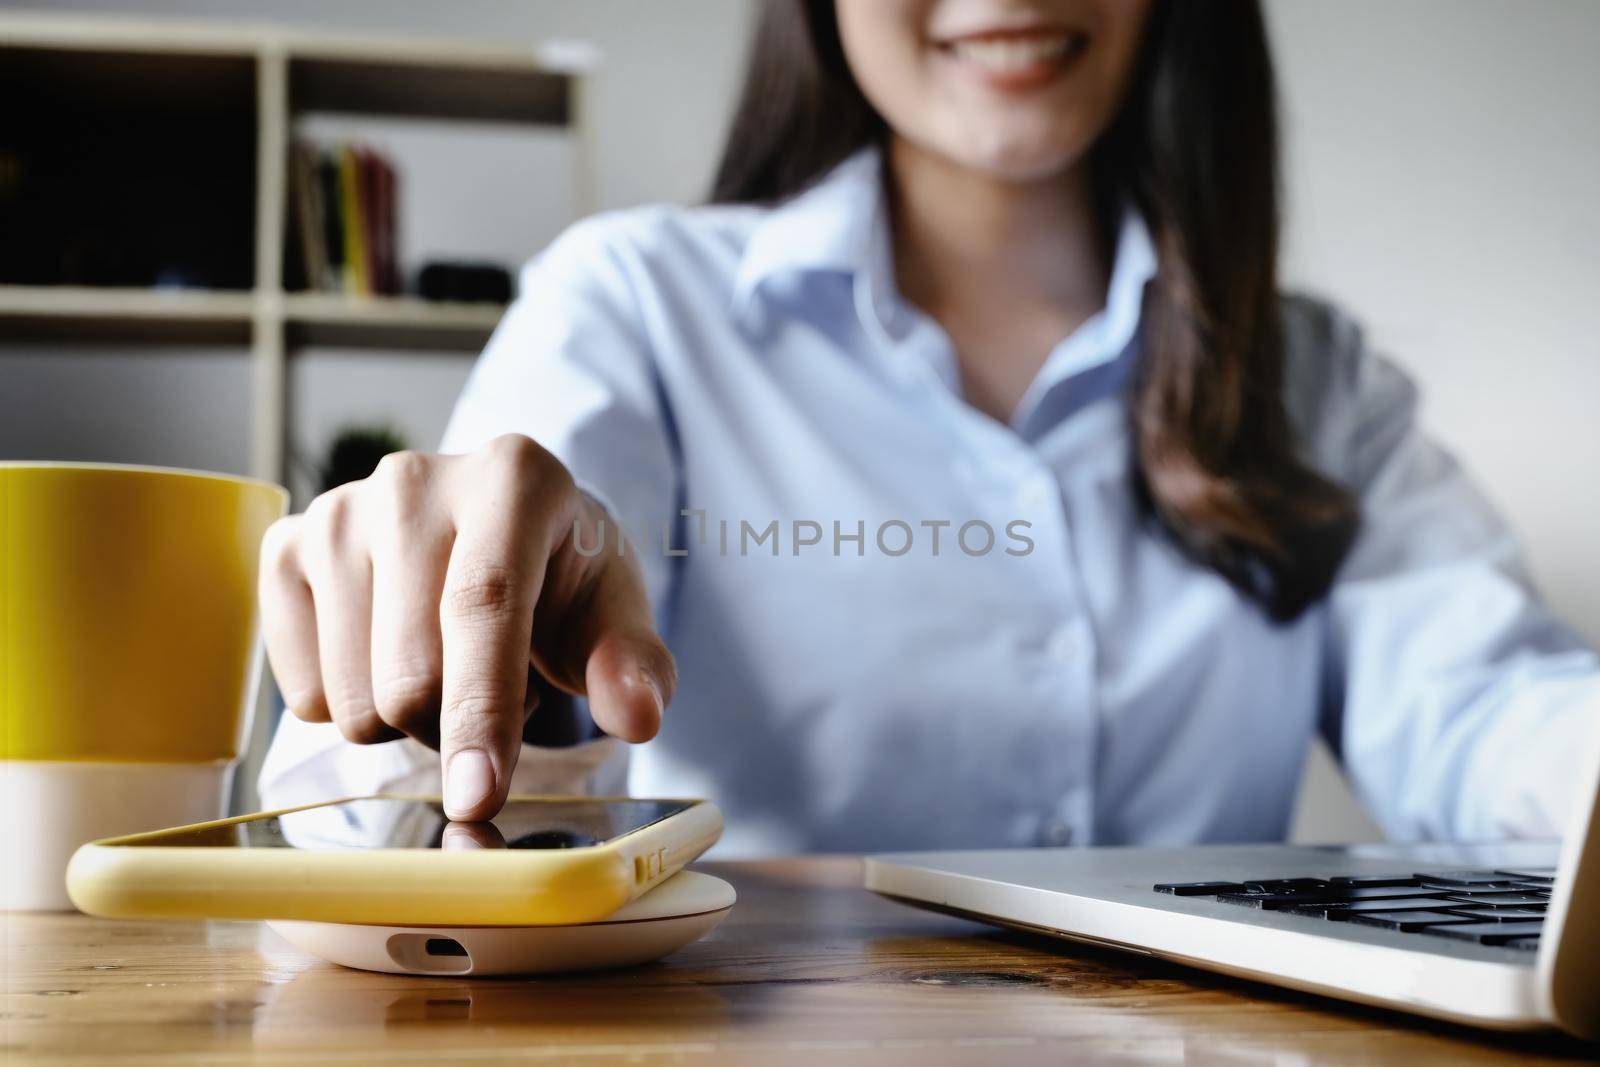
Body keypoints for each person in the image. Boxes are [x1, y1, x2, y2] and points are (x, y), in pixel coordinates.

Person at [257, 0, 1598, 855]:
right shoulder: (637, 305)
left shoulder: (1314, 377)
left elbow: (1493, 710)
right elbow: (363, 822)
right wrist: (485, 672)